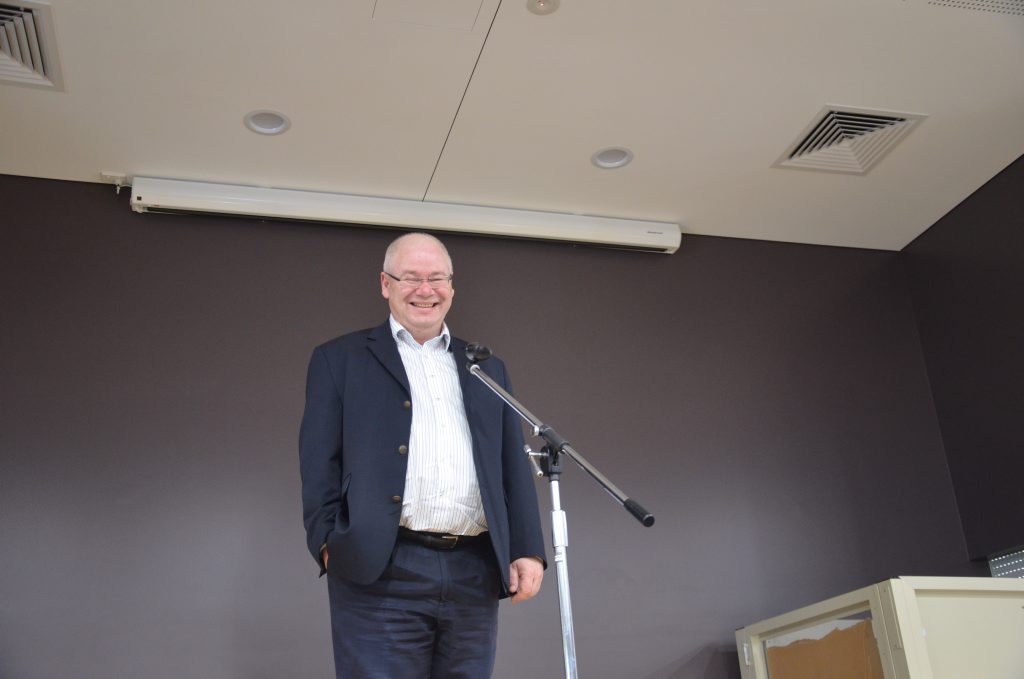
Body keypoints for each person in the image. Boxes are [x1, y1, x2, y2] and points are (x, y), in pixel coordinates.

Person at [299, 232, 546, 678]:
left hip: (474, 569)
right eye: (411, 278)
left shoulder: (486, 366)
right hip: (381, 568)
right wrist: (327, 543)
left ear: (452, 287)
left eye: (436, 278)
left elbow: (511, 461)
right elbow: (319, 462)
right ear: (385, 284)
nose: (425, 290)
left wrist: (527, 548)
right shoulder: (340, 359)